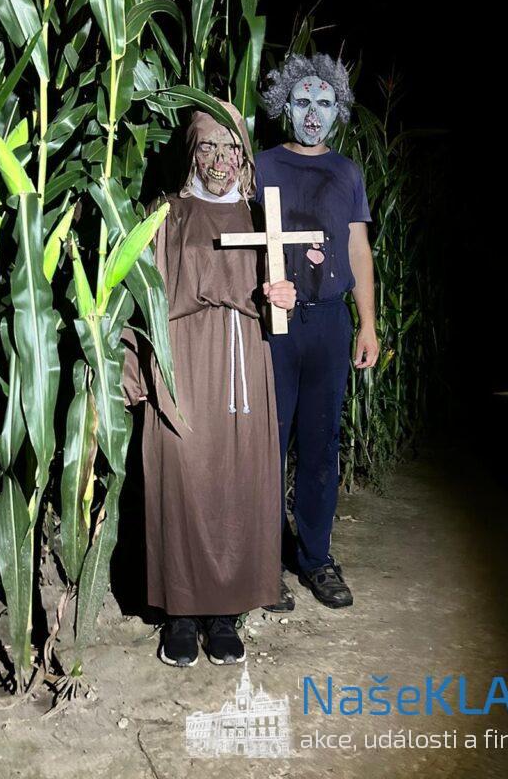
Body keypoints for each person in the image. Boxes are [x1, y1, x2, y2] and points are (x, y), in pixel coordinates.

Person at [121, 101, 296, 667]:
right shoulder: (166, 212)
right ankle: (181, 613)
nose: (220, 161)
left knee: (237, 482)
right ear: (191, 153)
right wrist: (131, 372)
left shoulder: (260, 216)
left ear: (244, 158)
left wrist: (282, 297)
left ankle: (224, 613)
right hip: (182, 360)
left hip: (243, 365)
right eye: (208, 148)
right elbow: (135, 296)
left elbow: (275, 300)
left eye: (231, 149)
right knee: (181, 477)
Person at [256, 52, 379, 611]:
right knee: (268, 442)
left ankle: (315, 558)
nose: (312, 113)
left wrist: (367, 324)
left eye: (324, 103)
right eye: (302, 101)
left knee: (321, 445)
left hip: (329, 323)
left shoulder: (347, 173)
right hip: (274, 326)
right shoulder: (261, 166)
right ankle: (262, 565)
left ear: (338, 111)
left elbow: (358, 249)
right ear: (284, 105)